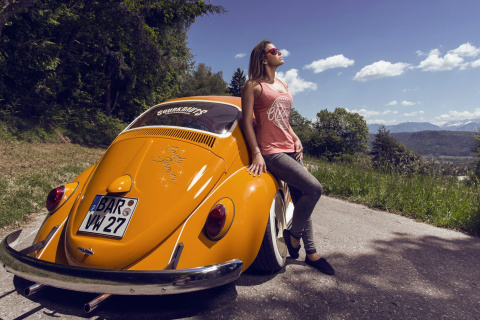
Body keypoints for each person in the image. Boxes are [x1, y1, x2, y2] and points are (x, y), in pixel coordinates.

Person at [241, 40, 335, 275]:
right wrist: (256, 153)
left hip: (290, 148)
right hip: (272, 152)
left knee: (303, 198)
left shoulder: (282, 83)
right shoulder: (253, 86)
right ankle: (294, 237)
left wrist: (296, 137)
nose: (279, 52)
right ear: (263, 59)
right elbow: (246, 122)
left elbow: (283, 119)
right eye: (274, 51)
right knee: (314, 189)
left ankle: (311, 254)